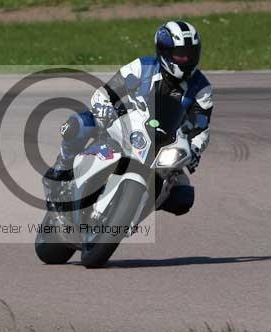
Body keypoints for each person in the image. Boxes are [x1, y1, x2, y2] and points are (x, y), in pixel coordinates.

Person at [43, 20, 213, 218]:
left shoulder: (201, 88)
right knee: (77, 124)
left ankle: (133, 209)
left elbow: (201, 127)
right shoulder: (143, 66)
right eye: (180, 54)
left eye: (190, 54)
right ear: (164, 52)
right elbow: (107, 92)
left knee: (183, 197)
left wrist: (194, 150)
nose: (185, 59)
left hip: (164, 144)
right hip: (126, 124)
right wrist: (104, 108)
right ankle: (59, 171)